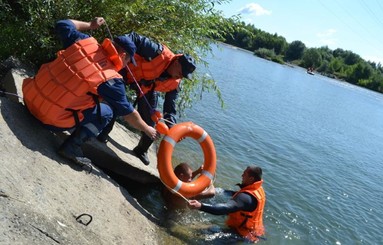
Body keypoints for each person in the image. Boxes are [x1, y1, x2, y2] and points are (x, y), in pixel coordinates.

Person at [22, 18, 157, 171]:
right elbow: (128, 114)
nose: (127, 65)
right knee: (107, 112)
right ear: (124, 55)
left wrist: (90, 25)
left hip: (29, 98)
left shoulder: (84, 42)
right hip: (46, 119)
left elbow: (63, 24)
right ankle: (70, 147)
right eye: (128, 61)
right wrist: (147, 129)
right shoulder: (112, 78)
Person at [97, 32, 197, 165]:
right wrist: (124, 53)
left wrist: (171, 126)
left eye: (184, 75)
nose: (180, 76)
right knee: (116, 103)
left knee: (151, 124)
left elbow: (170, 107)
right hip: (126, 72)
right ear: (177, 62)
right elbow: (134, 38)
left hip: (146, 89)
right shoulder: (157, 52)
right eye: (181, 72)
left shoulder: (175, 83)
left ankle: (141, 150)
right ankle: (104, 133)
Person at [188, 166, 266, 243]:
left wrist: (200, 206)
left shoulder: (245, 198)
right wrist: (219, 191)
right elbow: (237, 194)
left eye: (244, 174)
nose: (242, 176)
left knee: (199, 235)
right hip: (256, 232)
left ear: (251, 179)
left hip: (241, 234)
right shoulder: (258, 189)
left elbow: (225, 208)